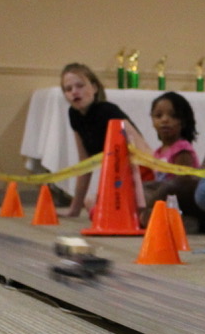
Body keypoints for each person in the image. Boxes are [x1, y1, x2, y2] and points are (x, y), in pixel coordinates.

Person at [59, 62, 154, 219]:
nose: (74, 92)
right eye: (68, 89)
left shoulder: (107, 111)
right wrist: (74, 209)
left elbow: (141, 147)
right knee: (90, 202)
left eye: (80, 86)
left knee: (107, 210)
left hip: (138, 174)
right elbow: (85, 162)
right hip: (117, 176)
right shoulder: (74, 114)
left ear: (94, 88)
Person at [142, 91, 200, 225]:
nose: (164, 120)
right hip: (162, 196)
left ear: (183, 122)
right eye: (158, 115)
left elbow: (182, 183)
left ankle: (178, 220)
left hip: (177, 198)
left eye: (173, 116)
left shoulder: (182, 148)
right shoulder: (158, 152)